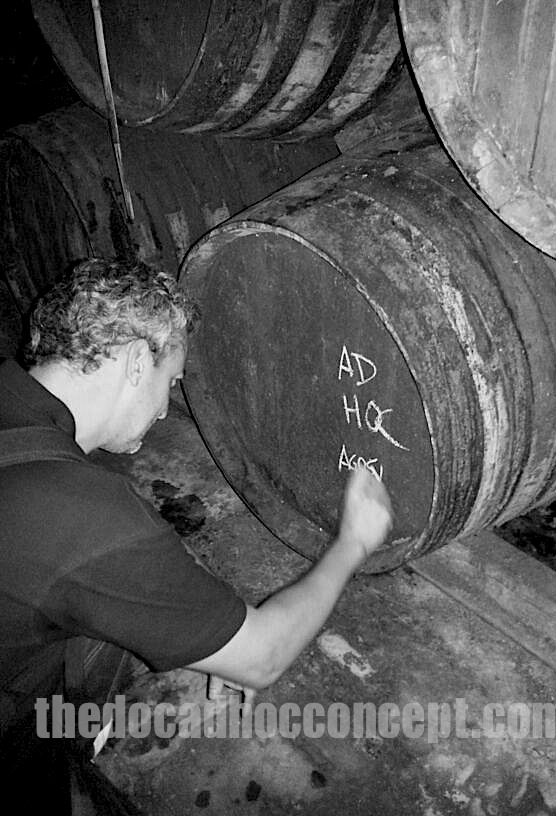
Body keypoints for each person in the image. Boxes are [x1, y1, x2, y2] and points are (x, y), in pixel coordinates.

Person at [0, 257, 392, 809]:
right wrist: (354, 540)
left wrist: (200, 638)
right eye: (172, 380)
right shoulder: (84, 513)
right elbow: (264, 656)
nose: (165, 408)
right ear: (138, 362)